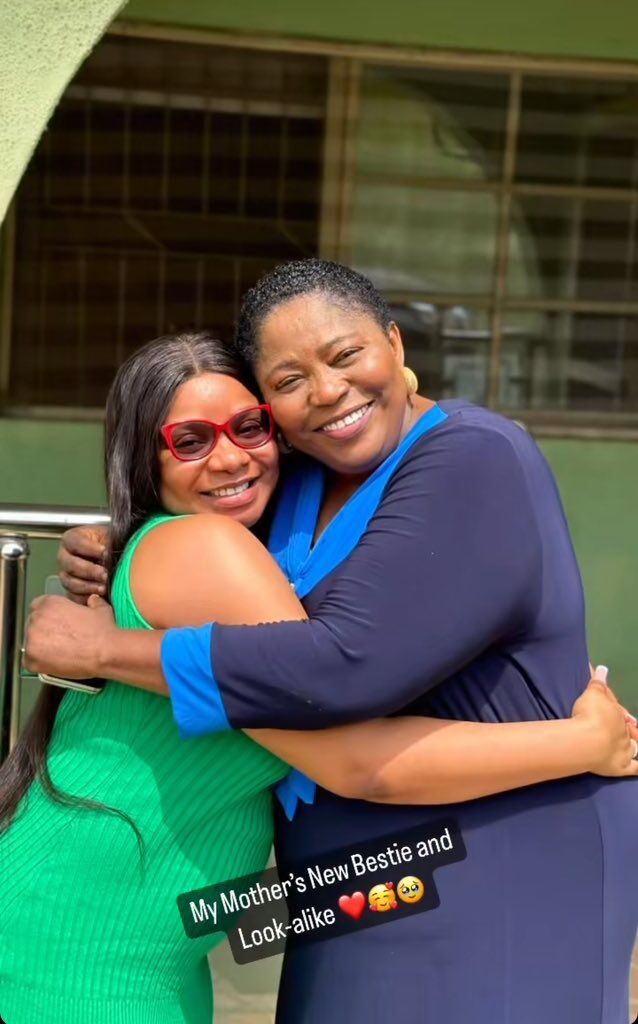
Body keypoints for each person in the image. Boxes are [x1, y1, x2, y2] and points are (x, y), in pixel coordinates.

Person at [25, 261, 638, 1024]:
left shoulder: (474, 457)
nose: (327, 391)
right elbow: (197, 534)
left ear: (394, 343)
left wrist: (105, 651)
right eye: (288, 381)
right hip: (348, 884)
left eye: (346, 355)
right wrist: (109, 545)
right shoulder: (295, 478)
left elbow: (343, 668)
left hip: (496, 855)